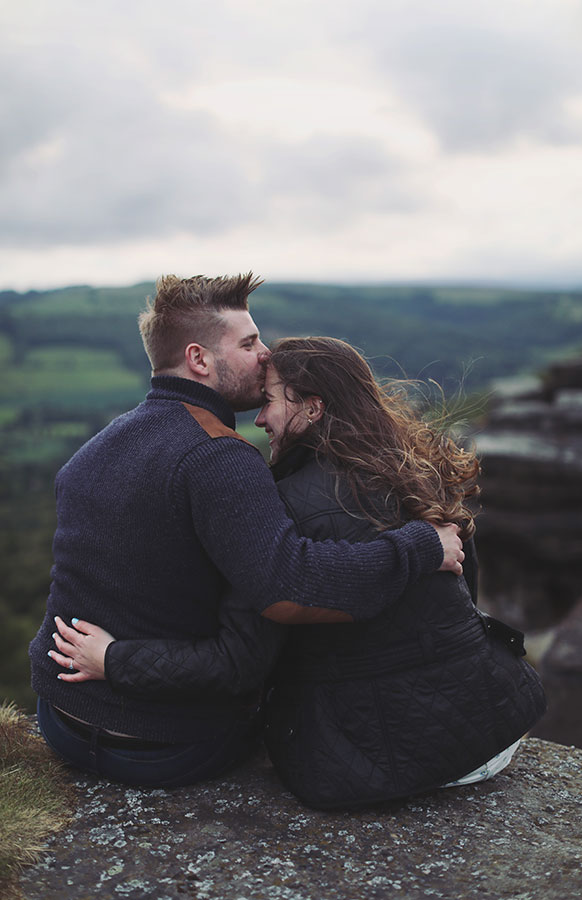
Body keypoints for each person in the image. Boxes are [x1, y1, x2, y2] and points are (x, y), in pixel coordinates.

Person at [49, 337, 546, 808]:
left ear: (313, 407)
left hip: (373, 763)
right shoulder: (418, 471)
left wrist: (115, 659)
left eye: (270, 400)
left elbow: (242, 662)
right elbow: (464, 596)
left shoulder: (281, 508)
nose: (260, 417)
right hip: (490, 736)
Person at [31, 274, 465, 789]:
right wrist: (420, 546)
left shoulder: (96, 447)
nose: (265, 354)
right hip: (163, 747)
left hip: (61, 720)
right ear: (199, 359)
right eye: (248, 342)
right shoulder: (219, 458)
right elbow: (289, 587)